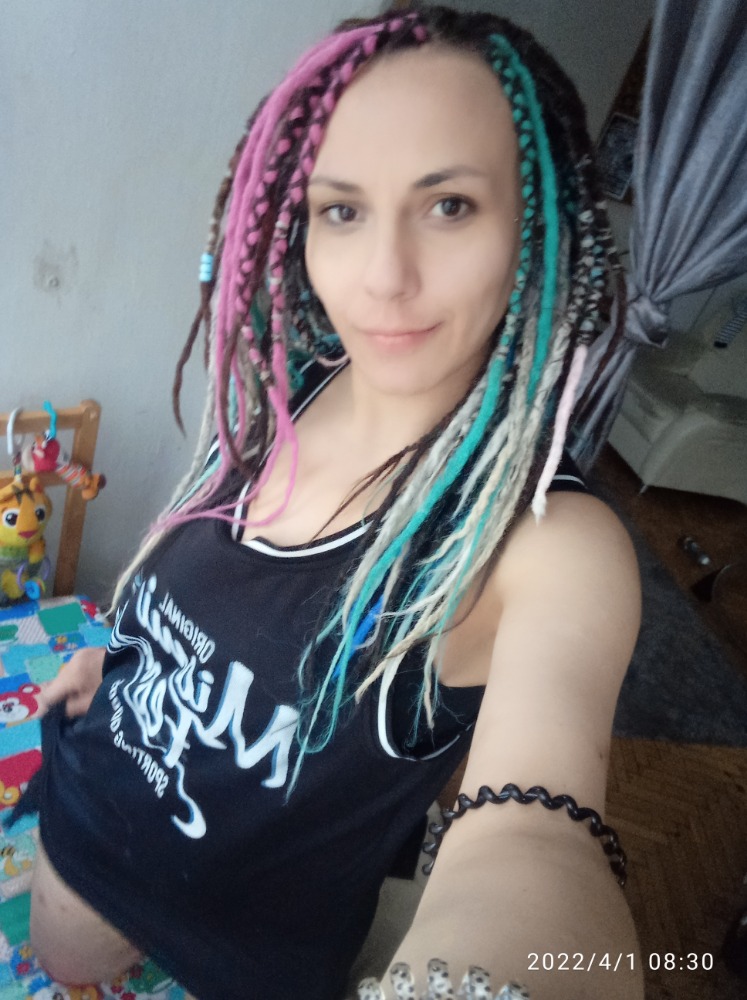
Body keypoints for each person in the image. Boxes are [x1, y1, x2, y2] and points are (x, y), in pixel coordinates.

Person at [24, 5, 644, 998]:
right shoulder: (289, 386)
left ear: (539, 230)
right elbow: (215, 604)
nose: (384, 277)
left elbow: (532, 837)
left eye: (449, 205)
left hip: (252, 943)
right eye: (342, 211)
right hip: (94, 802)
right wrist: (132, 664)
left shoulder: (546, 545)